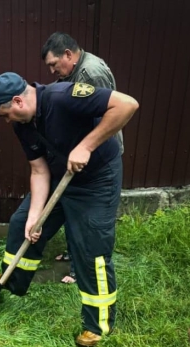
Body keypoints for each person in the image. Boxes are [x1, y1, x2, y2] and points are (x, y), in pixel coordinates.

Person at [0, 72, 138, 347]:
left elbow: (127, 104)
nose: (5, 120)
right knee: (21, 224)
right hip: (57, 176)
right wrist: (34, 218)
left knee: (90, 249)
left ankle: (97, 325)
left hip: (95, 180)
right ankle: (11, 281)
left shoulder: (62, 97)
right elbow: (39, 169)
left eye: (4, 114)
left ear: (17, 101)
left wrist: (86, 146)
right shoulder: (22, 124)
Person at [41, 32, 124, 284]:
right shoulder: (76, 71)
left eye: (54, 65)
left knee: (86, 216)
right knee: (70, 206)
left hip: (96, 155)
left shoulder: (90, 73)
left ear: (68, 54)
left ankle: (80, 269)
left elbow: (102, 115)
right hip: (81, 153)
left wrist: (85, 149)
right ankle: (72, 252)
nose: (53, 72)